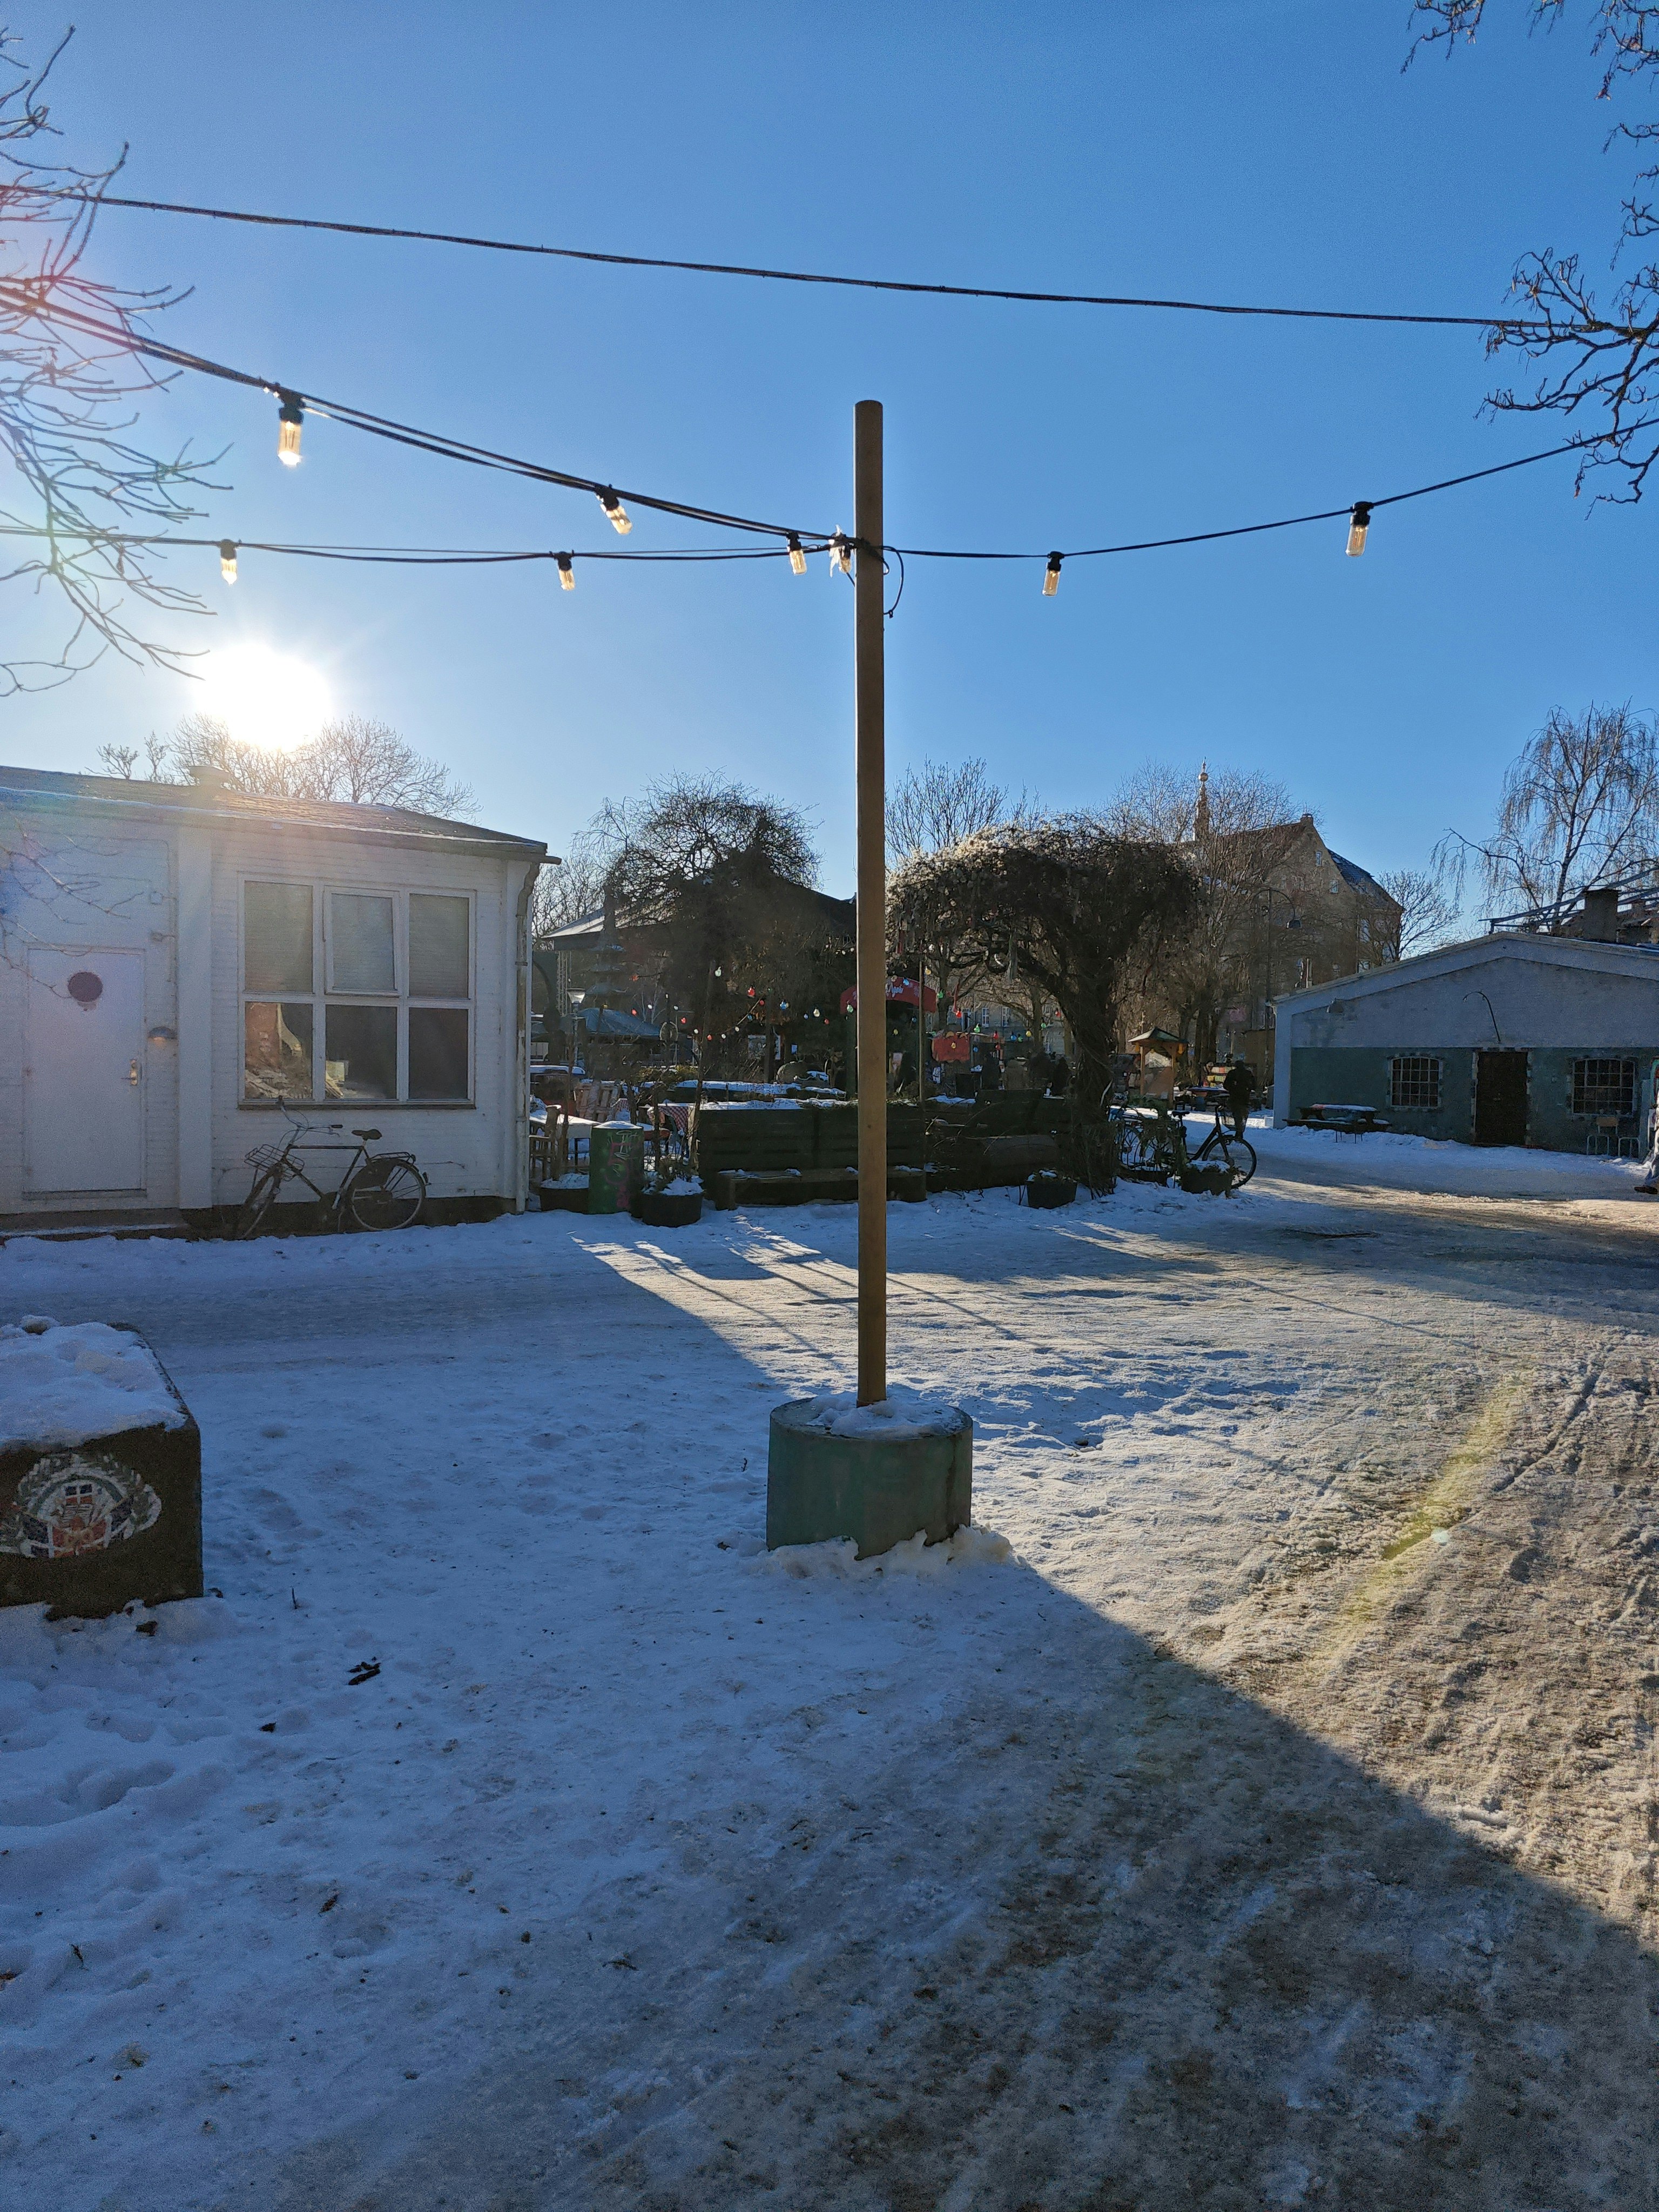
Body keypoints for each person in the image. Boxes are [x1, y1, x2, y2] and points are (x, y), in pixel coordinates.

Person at [1222, 1059, 1255, 1140]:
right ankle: (1240, 1130)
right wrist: (1247, 1089)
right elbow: (1254, 1085)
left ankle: (1237, 1128)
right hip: (1245, 1098)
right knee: (1242, 1114)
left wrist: (1232, 1089)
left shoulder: (1232, 1073)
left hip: (1234, 1097)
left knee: (1236, 1113)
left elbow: (1225, 1085)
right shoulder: (1248, 1074)